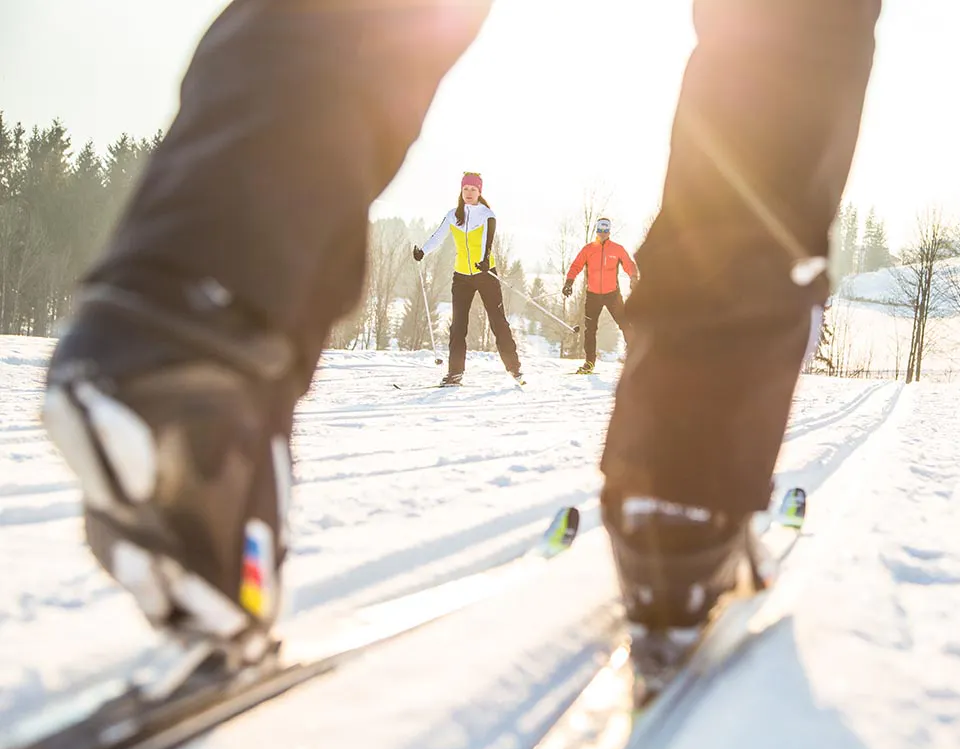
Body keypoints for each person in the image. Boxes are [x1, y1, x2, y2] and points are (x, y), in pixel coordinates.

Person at [38, 0, 880, 671]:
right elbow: (454, 235)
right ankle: (687, 471)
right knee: (782, 21)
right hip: (482, 279)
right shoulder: (461, 212)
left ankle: (195, 316)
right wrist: (463, 257)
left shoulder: (494, 213)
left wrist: (586, 271)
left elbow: (599, 255)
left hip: (492, 280)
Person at [412, 172, 523, 386]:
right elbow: (438, 236)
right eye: (465, 189)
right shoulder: (453, 215)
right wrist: (423, 251)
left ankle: (514, 368)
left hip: (485, 274)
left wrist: (484, 260)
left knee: (497, 321)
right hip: (461, 276)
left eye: (473, 189)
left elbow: (487, 243)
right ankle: (455, 373)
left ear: (480, 192)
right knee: (458, 325)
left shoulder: (487, 215)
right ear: (461, 191)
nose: (469, 193)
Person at [562, 217, 638, 374]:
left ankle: (636, 358)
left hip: (612, 295)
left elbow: (629, 264)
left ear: (609, 231)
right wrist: (569, 282)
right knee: (590, 329)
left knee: (624, 324)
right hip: (593, 295)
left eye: (605, 230)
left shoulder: (617, 249)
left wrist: (633, 277)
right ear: (597, 231)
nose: (603, 233)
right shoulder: (588, 249)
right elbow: (576, 265)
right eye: (600, 230)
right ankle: (589, 362)